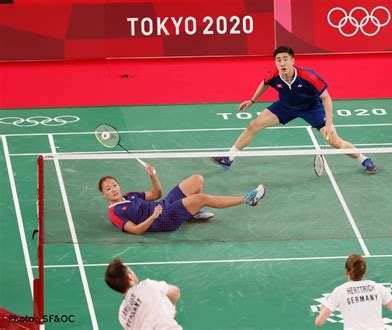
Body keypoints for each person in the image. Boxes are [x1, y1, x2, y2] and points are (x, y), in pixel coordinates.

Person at [212, 45, 377, 174]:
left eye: (285, 59)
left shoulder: (309, 77)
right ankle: (229, 158)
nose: (282, 63)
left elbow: (326, 98)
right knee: (253, 125)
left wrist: (330, 124)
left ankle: (364, 159)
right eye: (278, 60)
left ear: (293, 60)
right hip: (286, 106)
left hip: (312, 108)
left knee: (334, 142)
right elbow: (264, 83)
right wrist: (252, 100)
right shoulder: (274, 74)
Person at [99, 163, 265, 234]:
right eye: (108, 189)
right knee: (201, 198)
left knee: (197, 179)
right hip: (162, 219)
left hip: (163, 205)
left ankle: (190, 215)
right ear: (103, 195)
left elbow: (156, 194)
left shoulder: (129, 196)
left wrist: (152, 175)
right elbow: (135, 231)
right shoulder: (115, 213)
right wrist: (153, 216)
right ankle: (246, 200)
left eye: (114, 185)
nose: (113, 189)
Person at [315, 254, 392, 329]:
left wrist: (324, 308)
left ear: (346, 271)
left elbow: (319, 322)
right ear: (365, 271)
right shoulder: (378, 288)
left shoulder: (340, 291)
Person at [105, 258, 182, 329]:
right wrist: (172, 305)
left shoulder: (122, 315)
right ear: (130, 277)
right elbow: (175, 291)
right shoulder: (146, 286)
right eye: (131, 271)